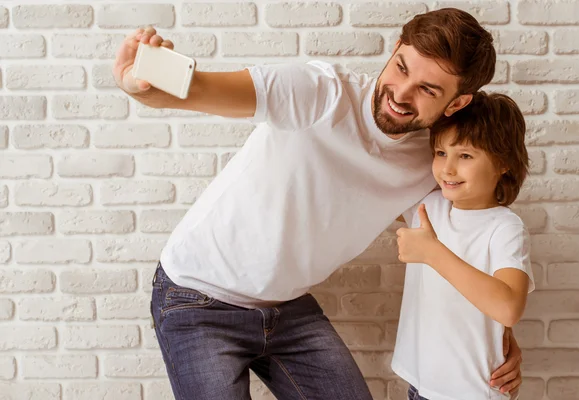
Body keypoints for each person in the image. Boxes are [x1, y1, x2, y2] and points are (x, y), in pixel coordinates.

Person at [113, 8, 524, 400]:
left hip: (286, 308)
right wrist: (139, 83)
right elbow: (197, 89)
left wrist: (492, 336)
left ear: (456, 104)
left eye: (427, 90)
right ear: (396, 47)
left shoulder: (432, 161)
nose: (400, 93)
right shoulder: (319, 93)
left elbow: (461, 241)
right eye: (401, 67)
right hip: (196, 297)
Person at [394, 92, 533, 400]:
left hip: (471, 391)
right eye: (441, 153)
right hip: (421, 385)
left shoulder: (505, 227)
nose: (447, 169)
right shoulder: (427, 206)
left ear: (504, 163)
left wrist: (433, 253)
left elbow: (509, 309)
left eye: (465, 156)